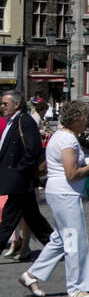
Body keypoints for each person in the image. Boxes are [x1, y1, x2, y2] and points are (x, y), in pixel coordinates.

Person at [19, 99, 89, 297]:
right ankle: (76, 288)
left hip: (59, 192)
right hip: (65, 193)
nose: (88, 122)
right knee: (75, 240)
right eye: (86, 118)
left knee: (61, 239)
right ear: (79, 118)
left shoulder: (60, 136)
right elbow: (72, 173)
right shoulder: (68, 140)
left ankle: (31, 275)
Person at [0, 92, 53, 260]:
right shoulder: (11, 122)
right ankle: (56, 247)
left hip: (20, 179)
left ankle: (56, 247)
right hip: (15, 178)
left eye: (5, 103)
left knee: (9, 218)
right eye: (1, 104)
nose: (2, 106)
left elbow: (33, 149)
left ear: (16, 105)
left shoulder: (25, 121)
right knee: (33, 217)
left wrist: (20, 169)